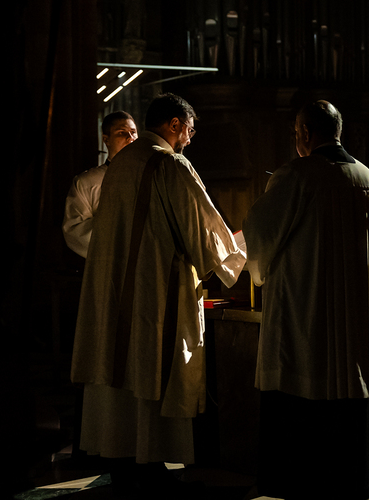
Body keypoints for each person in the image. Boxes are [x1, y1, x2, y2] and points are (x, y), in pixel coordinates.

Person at [71, 93, 246, 493]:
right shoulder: (169, 163)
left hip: (114, 292)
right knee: (151, 369)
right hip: (154, 291)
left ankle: (123, 460)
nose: (190, 138)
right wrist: (237, 251)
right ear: (174, 124)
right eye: (190, 129)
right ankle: (151, 463)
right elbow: (201, 227)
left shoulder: (121, 163)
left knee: (122, 371)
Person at [243, 100, 369, 499]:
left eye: (296, 132)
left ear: (305, 133)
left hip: (305, 310)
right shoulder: (367, 178)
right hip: (353, 316)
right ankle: (348, 484)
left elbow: (260, 234)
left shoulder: (297, 174)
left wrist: (257, 269)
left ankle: (301, 484)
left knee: (303, 380)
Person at [62, 111, 138, 257]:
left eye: (133, 132)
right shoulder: (86, 182)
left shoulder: (152, 176)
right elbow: (75, 231)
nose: (130, 138)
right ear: (106, 139)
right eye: (121, 133)